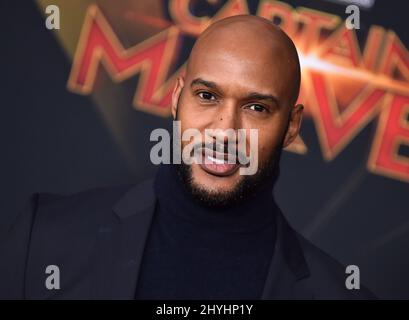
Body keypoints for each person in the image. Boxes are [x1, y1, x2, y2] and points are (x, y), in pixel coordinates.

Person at [0, 15, 375, 299]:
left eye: (257, 107)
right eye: (207, 96)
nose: (225, 130)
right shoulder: (45, 237)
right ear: (178, 96)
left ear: (291, 125)